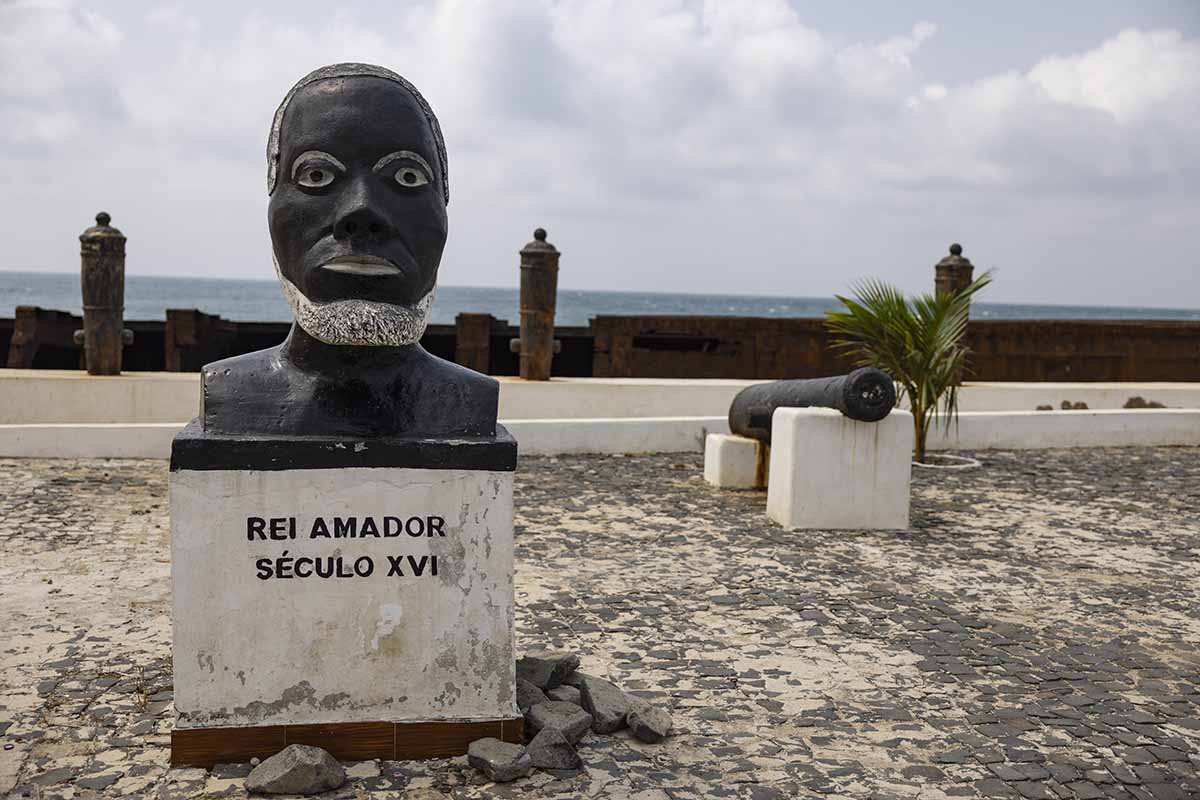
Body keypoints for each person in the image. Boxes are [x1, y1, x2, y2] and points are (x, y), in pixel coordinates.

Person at [200, 63, 497, 438]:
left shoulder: (470, 402)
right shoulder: (228, 393)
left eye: (408, 177)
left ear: (444, 205)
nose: (361, 211)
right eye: (316, 176)